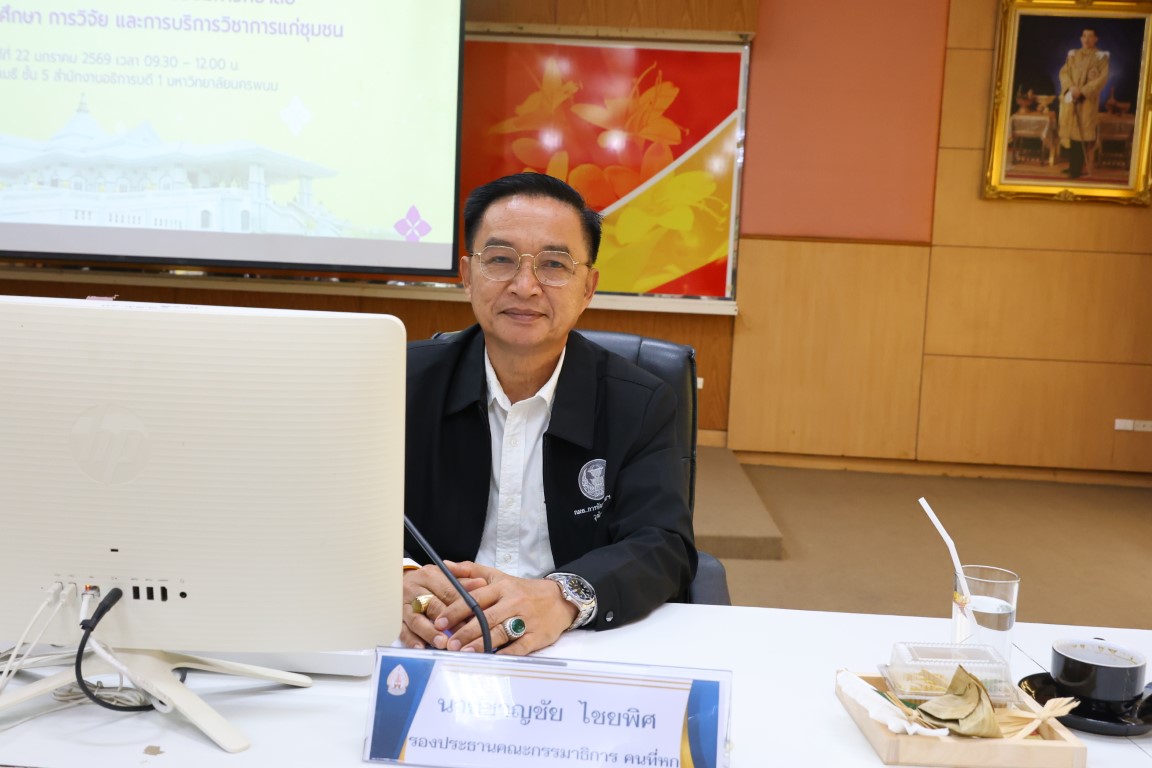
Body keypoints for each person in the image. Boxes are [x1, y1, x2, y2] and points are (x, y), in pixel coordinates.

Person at [400, 172, 698, 656]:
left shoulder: (639, 401)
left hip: (573, 643)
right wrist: (400, 576)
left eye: (554, 265)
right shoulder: (400, 382)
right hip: (432, 635)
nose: (525, 286)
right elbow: (339, 511)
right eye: (500, 259)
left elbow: (663, 545)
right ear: (467, 275)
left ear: (588, 287)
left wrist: (562, 597)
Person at [1058, 27, 1109, 179]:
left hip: (1086, 101)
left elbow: (1102, 79)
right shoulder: (1073, 55)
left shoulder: (1101, 57)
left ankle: (1076, 169)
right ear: (1081, 38)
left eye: (1090, 36)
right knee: (1072, 134)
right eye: (1084, 36)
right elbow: (1064, 73)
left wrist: (1083, 91)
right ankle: (1072, 166)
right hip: (1072, 98)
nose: (1086, 39)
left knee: (1081, 135)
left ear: (1096, 39)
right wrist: (1071, 88)